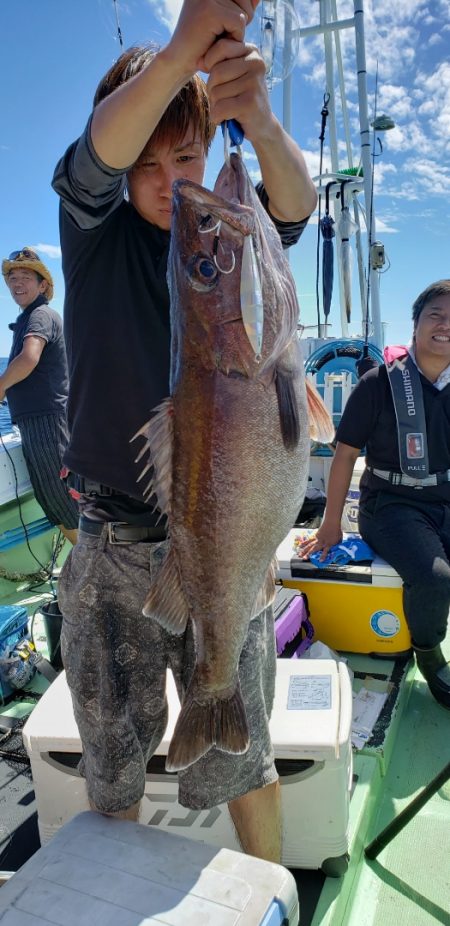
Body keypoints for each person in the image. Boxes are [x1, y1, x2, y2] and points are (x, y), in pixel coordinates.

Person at [51, 0, 317, 862]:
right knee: (114, 772)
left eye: (189, 155)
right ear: (123, 170)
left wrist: (260, 121)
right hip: (114, 549)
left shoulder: (225, 252)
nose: (172, 181)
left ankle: (269, 888)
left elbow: (292, 205)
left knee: (246, 762)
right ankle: (115, 892)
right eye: (149, 163)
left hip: (220, 547)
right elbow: (92, 163)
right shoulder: (92, 234)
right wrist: (178, 55)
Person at [300, 280, 450, 710]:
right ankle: (429, 651)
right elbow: (344, 455)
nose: (445, 325)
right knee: (435, 578)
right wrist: (330, 524)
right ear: (417, 324)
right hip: (391, 505)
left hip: (445, 498)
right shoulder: (377, 383)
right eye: (436, 314)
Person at [0, 248, 78, 545]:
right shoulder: (29, 317)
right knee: (54, 503)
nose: (17, 283)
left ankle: (97, 578)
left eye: (25, 277)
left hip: (49, 424)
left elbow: (29, 357)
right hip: (37, 426)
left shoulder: (40, 315)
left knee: (66, 503)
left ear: (43, 284)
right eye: (12, 277)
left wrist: (1, 385)